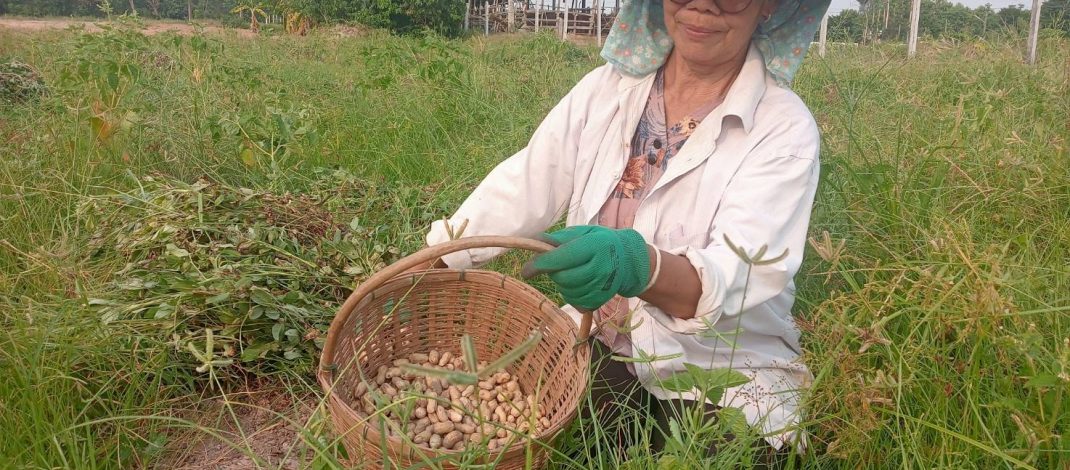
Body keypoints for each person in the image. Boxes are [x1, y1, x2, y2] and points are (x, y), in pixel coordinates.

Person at [420, 0, 830, 460]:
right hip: (596, 334)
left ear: (769, 6)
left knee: (712, 454)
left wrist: (637, 265)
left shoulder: (782, 127)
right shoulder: (606, 90)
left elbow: (740, 269)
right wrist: (431, 262)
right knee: (517, 430)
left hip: (719, 366)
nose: (703, 4)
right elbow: (527, 183)